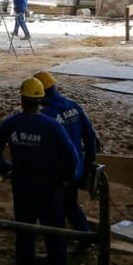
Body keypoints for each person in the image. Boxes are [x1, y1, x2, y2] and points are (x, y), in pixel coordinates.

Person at [0, 77, 86, 265]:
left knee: (24, 231)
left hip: (22, 186)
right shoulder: (51, 126)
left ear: (22, 100)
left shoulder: (11, 123)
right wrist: (63, 178)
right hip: (48, 187)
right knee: (54, 230)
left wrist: (6, 170)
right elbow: (72, 157)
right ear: (41, 100)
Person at [35, 71, 99, 248]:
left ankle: (59, 249)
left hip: (59, 174)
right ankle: (85, 237)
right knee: (70, 205)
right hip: (76, 169)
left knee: (55, 213)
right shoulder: (73, 106)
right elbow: (89, 135)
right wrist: (89, 163)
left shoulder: (47, 116)